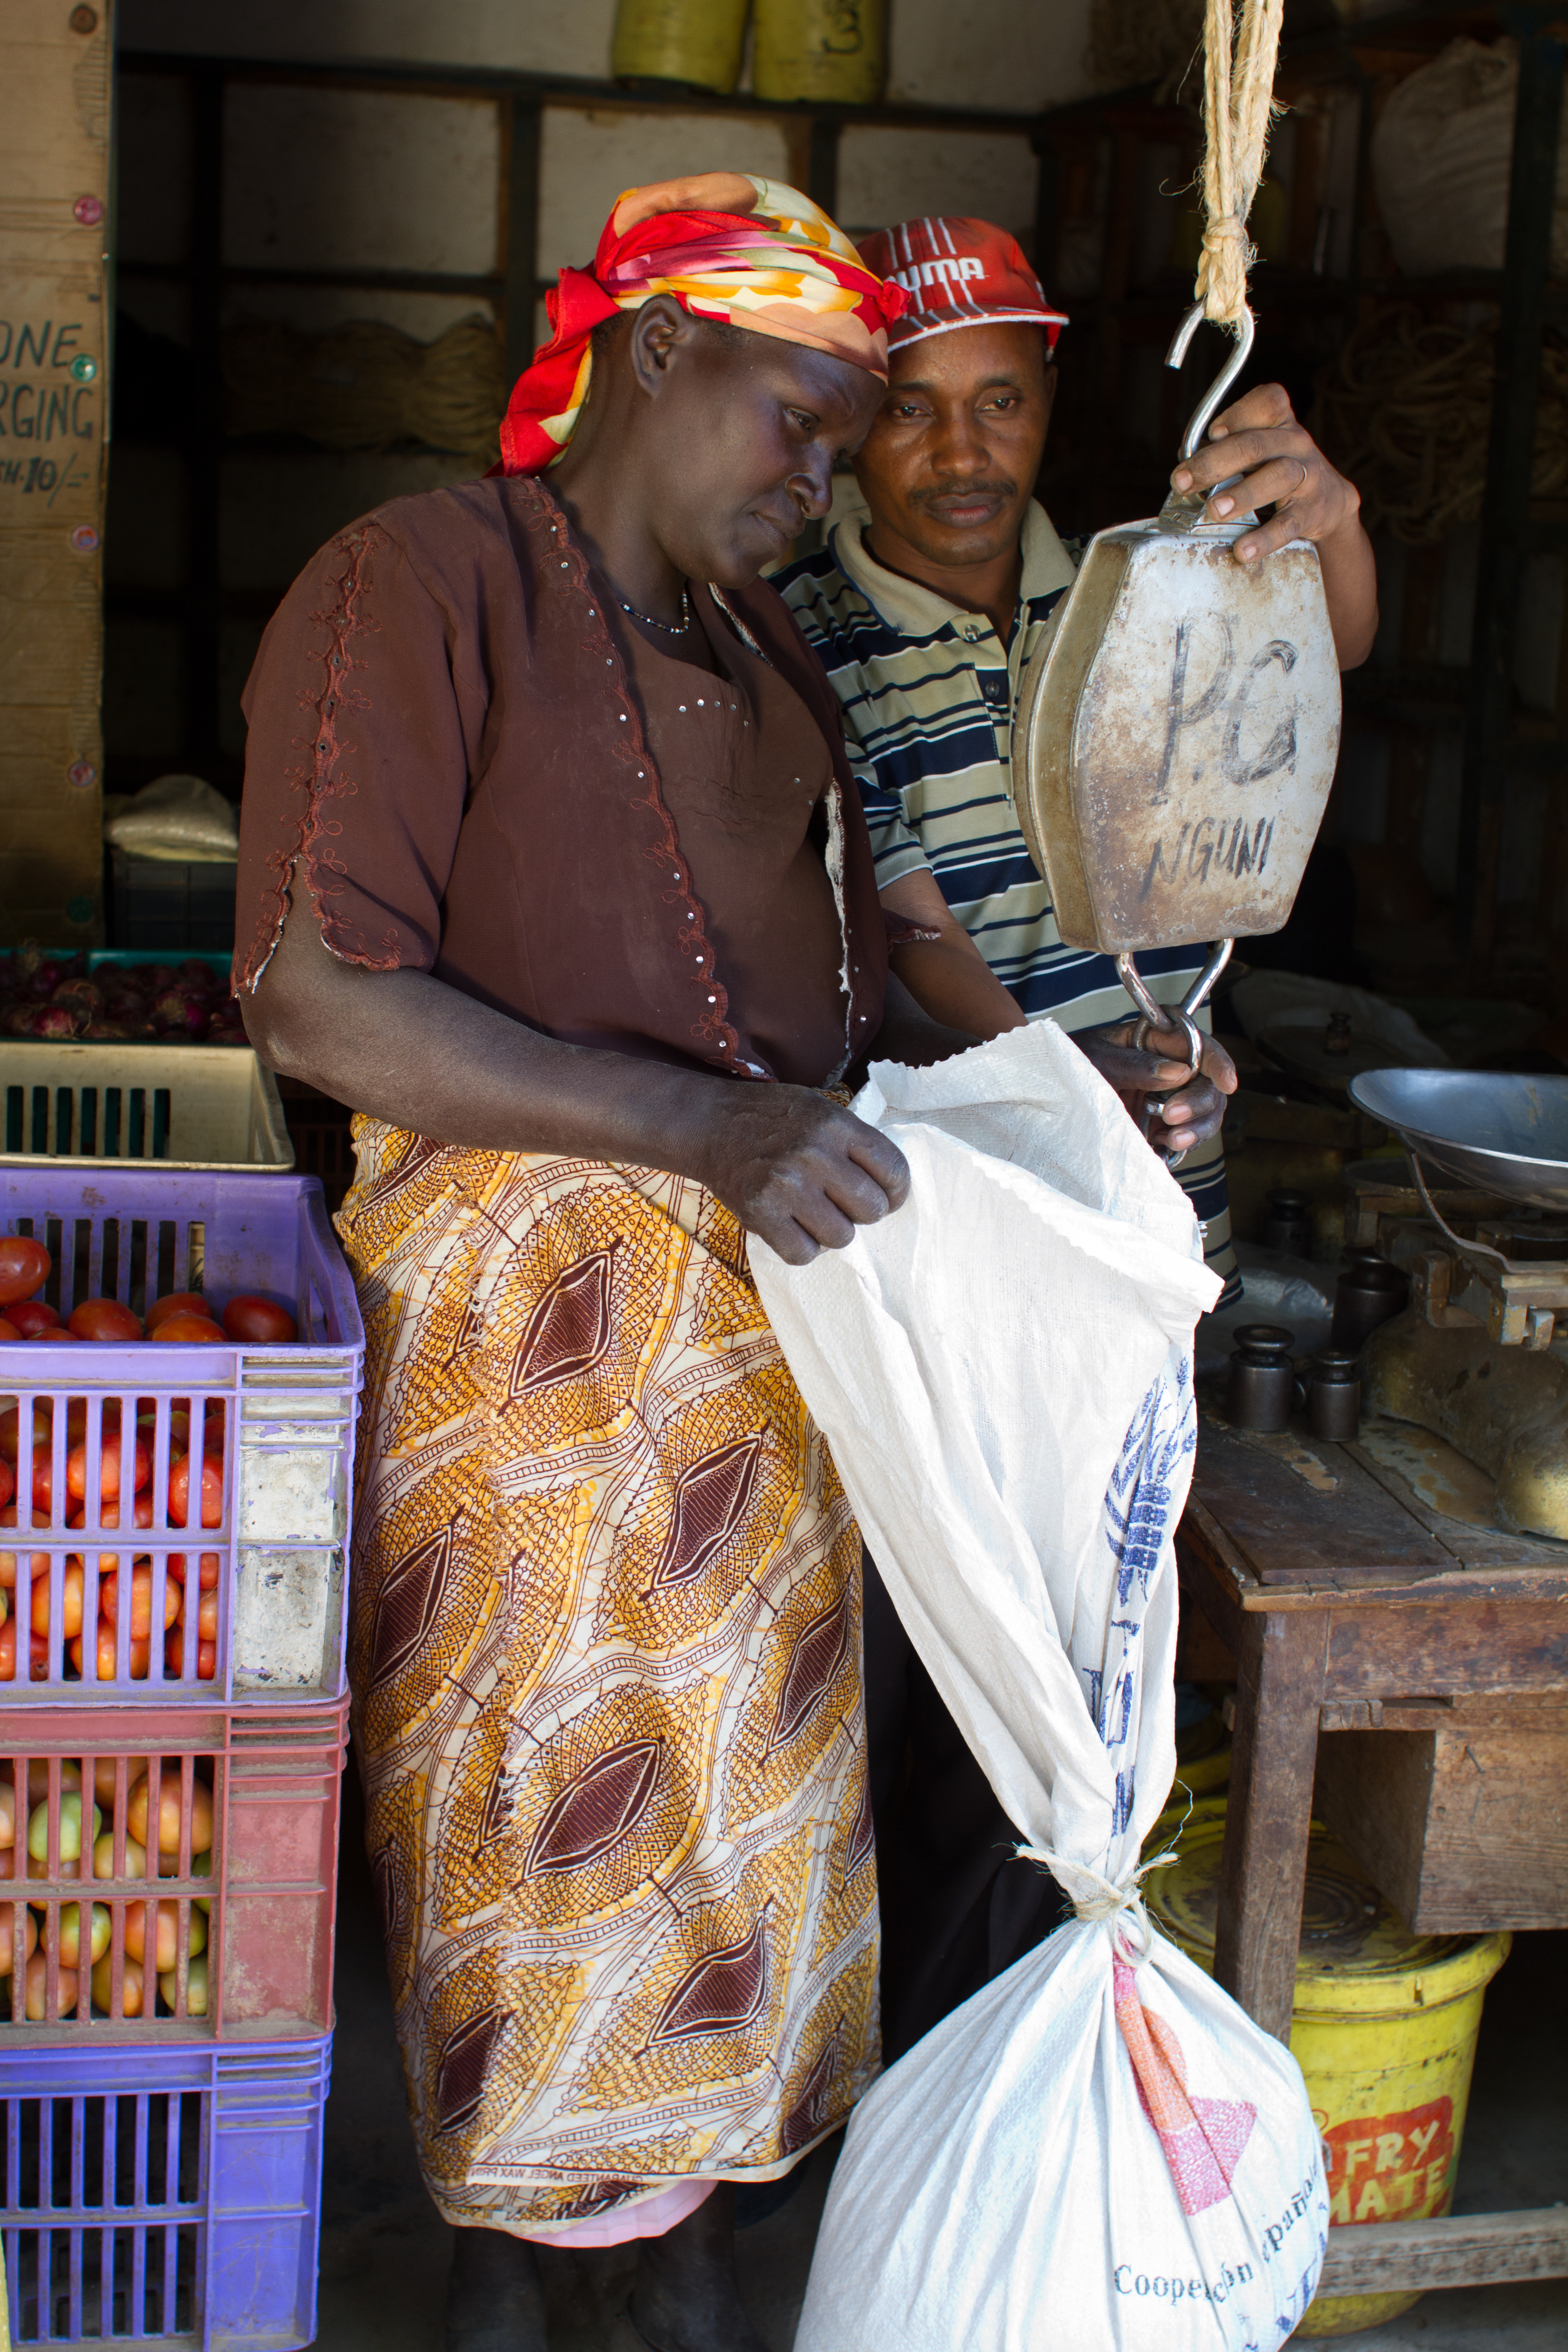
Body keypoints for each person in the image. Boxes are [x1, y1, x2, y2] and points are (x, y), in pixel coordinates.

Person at [235, 175, 970, 2352]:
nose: (818, 479)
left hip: (758, 1426)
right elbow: (317, 994)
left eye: (840, 437)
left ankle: (670, 2274)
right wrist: (702, 1128)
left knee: (730, 1971)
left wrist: (1094, 1087)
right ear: (660, 349)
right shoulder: (424, 581)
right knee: (543, 1955)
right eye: (797, 422)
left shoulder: (770, 665)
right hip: (532, 1418)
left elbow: (845, 1011)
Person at [774, 213, 1379, 2061]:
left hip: (1142, 1259)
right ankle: (908, 2103)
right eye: (916, 412)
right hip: (943, 1270)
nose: (962, 456)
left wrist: (1330, 524)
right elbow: (881, 948)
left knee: (1094, 1715)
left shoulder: (1145, 589)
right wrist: (1066, 1076)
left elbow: (1313, 663)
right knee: (919, 1705)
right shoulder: (801, 643)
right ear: (852, 428)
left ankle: (1039, 2073)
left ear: (1052, 408)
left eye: (1004, 403)